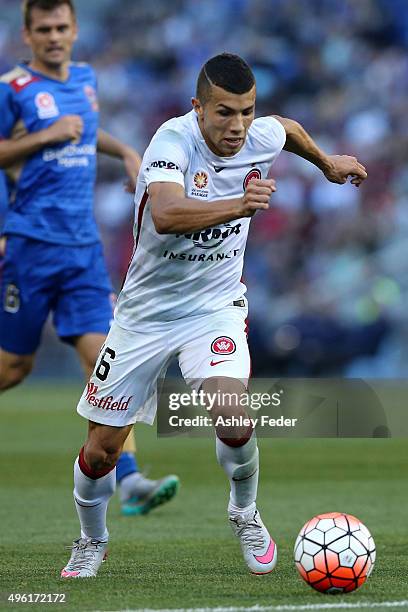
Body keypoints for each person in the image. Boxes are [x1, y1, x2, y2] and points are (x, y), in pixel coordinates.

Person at [61, 52, 367, 578]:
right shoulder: (171, 141)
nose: (238, 125)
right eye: (225, 112)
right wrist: (240, 205)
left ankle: (245, 513)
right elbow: (167, 212)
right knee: (101, 452)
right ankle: (92, 540)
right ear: (197, 108)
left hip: (214, 307)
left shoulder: (259, 134)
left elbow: (287, 129)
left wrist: (327, 162)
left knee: (231, 410)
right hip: (145, 314)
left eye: (246, 111)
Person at [0, 0, 179, 517]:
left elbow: (85, 130)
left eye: (62, 27)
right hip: (31, 245)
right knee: (13, 367)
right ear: (28, 35)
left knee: (106, 363)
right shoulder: (13, 89)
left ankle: (130, 481)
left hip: (81, 251)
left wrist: (124, 151)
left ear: (75, 30)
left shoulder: (84, 78)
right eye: (44, 29)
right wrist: (43, 137)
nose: (55, 36)